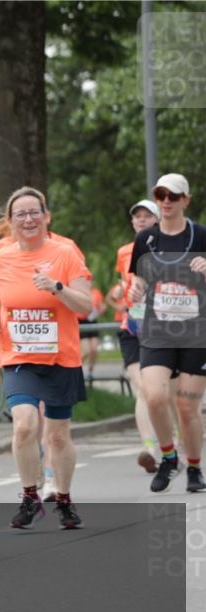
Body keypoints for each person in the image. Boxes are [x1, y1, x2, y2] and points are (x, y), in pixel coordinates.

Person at [0, 187, 92, 530]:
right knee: (25, 425)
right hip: (18, 355)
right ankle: (30, 496)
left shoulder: (65, 253)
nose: (28, 220)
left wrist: (57, 288)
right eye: (20, 214)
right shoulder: (1, 257)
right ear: (11, 221)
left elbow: (85, 306)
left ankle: (63, 498)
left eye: (34, 213)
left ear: (46, 217)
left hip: (61, 356)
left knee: (58, 436)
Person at [128, 173, 206, 493]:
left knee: (187, 406)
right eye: (161, 195)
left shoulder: (200, 235)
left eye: (174, 196)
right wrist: (135, 290)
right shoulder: (145, 239)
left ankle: (194, 469)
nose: (167, 201)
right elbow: (139, 281)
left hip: (196, 333)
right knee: (155, 396)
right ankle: (168, 456)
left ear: (186, 199)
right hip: (158, 330)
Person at [104, 199, 167, 472]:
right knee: (142, 388)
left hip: (166, 328)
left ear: (157, 219)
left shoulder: (171, 249)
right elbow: (125, 283)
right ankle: (150, 449)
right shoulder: (124, 252)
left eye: (146, 215)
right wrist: (122, 296)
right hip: (132, 327)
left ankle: (174, 443)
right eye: (136, 217)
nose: (141, 220)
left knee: (164, 393)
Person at [79, 286, 106, 379]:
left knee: (94, 350)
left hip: (92, 320)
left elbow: (101, 306)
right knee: (87, 351)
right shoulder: (78, 290)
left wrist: (101, 309)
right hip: (81, 321)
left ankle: (90, 371)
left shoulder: (96, 292)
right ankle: (74, 368)